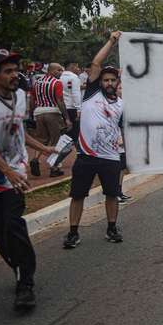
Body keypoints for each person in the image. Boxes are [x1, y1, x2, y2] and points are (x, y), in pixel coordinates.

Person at [0, 49, 56, 308]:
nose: (15, 75)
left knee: (13, 223)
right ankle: (17, 266)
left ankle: (25, 282)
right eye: (8, 71)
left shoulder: (20, 96)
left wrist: (41, 148)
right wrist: (4, 170)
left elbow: (18, 132)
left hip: (16, 170)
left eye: (16, 69)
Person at [63, 32, 125, 249]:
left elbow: (124, 131)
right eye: (105, 79)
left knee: (112, 195)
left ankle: (112, 227)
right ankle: (73, 232)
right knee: (78, 195)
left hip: (110, 158)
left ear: (117, 82)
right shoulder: (91, 93)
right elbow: (96, 62)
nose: (108, 82)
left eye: (112, 80)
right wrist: (112, 41)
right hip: (86, 156)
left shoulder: (121, 105)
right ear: (100, 81)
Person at [29, 63, 71, 177]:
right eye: (58, 70)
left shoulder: (37, 82)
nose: (61, 72)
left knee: (41, 139)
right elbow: (60, 101)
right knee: (55, 140)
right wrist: (66, 118)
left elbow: (32, 99)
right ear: (51, 71)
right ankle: (54, 167)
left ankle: (35, 159)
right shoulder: (57, 83)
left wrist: (31, 113)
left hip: (39, 112)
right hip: (52, 113)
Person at [60, 62, 82, 142]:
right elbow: (75, 93)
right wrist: (79, 109)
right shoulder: (74, 77)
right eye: (77, 67)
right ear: (72, 67)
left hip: (61, 107)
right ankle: (74, 151)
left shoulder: (59, 77)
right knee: (74, 133)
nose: (78, 69)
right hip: (72, 108)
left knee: (64, 132)